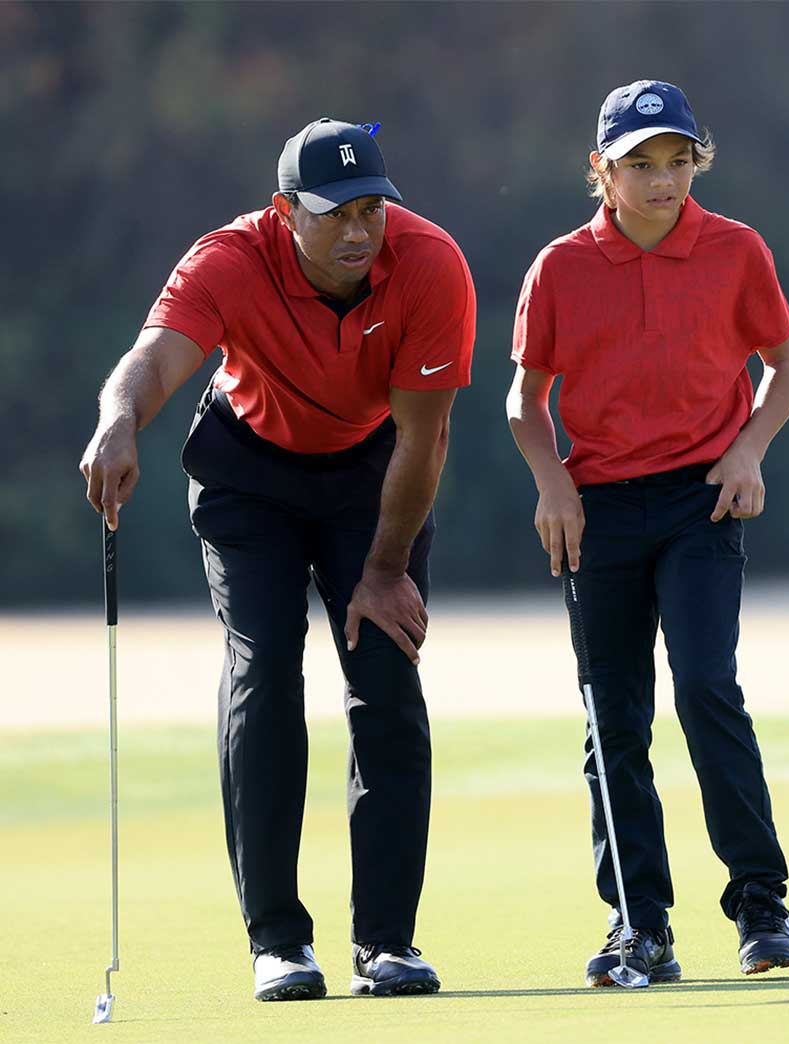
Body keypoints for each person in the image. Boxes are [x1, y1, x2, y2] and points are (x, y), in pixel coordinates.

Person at [78, 119, 474, 1001]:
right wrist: (117, 421)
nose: (359, 232)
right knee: (264, 672)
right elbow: (153, 358)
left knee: (386, 677)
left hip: (376, 475)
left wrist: (383, 569)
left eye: (372, 208)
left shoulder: (431, 265)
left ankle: (387, 942)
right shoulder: (228, 259)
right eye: (334, 214)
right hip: (249, 472)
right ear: (283, 211)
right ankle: (278, 942)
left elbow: (426, 436)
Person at [506, 79, 789, 986]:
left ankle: (762, 905)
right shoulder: (560, 267)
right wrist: (551, 481)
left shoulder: (735, 250)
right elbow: (526, 402)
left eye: (678, 162)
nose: (663, 181)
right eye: (640, 164)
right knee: (614, 719)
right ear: (601, 169)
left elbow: (784, 364)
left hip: (700, 501)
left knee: (708, 686)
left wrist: (750, 450)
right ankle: (640, 925)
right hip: (598, 508)